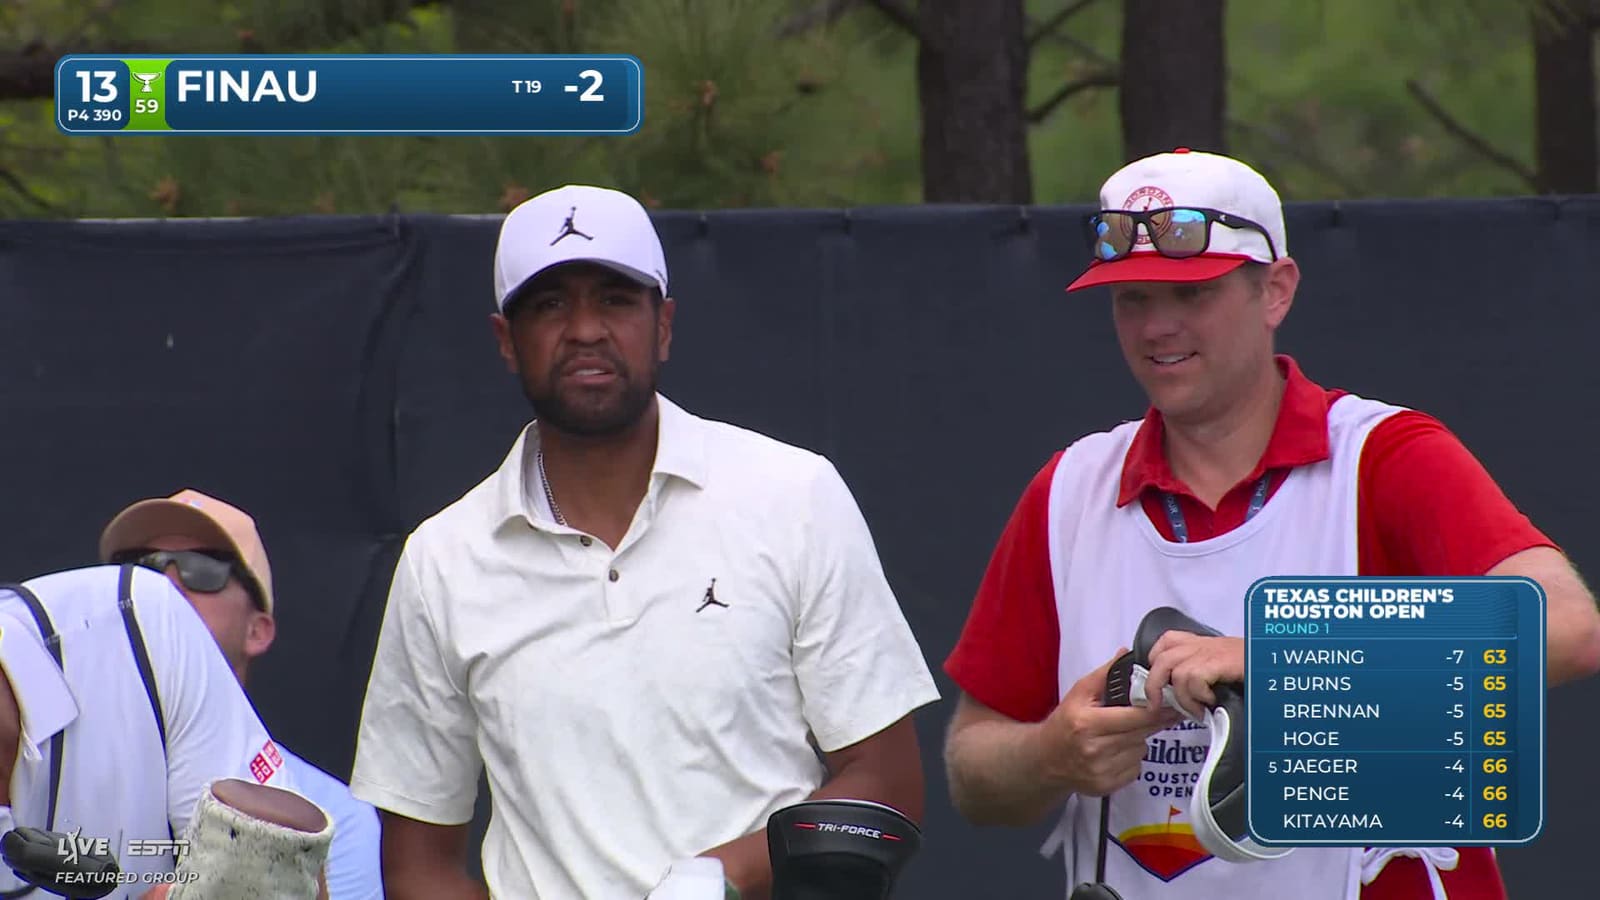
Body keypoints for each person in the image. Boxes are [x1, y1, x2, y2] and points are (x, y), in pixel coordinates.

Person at [940, 148, 1600, 900]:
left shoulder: (1382, 457)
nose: (1158, 326)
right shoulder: (1070, 491)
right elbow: (973, 767)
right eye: (1131, 297)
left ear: (1275, 291)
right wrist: (1053, 755)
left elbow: (1567, 629)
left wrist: (1277, 658)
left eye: (1194, 294)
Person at [348, 183, 941, 900]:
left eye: (616, 299)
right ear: (507, 341)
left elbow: (888, 784)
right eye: (550, 304)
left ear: (663, 325)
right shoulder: (444, 561)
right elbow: (419, 861)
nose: (586, 329)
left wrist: (719, 877)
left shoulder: (793, 495)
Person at [98, 489, 386, 900]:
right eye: (139, 569)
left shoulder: (332, 815)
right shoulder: (28, 758)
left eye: (203, 569)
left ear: (258, 629)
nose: (163, 587)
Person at [0, 561, 315, 899]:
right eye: (143, 557)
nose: (173, 575)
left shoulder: (133, 616)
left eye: (204, 568)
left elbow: (291, 875)